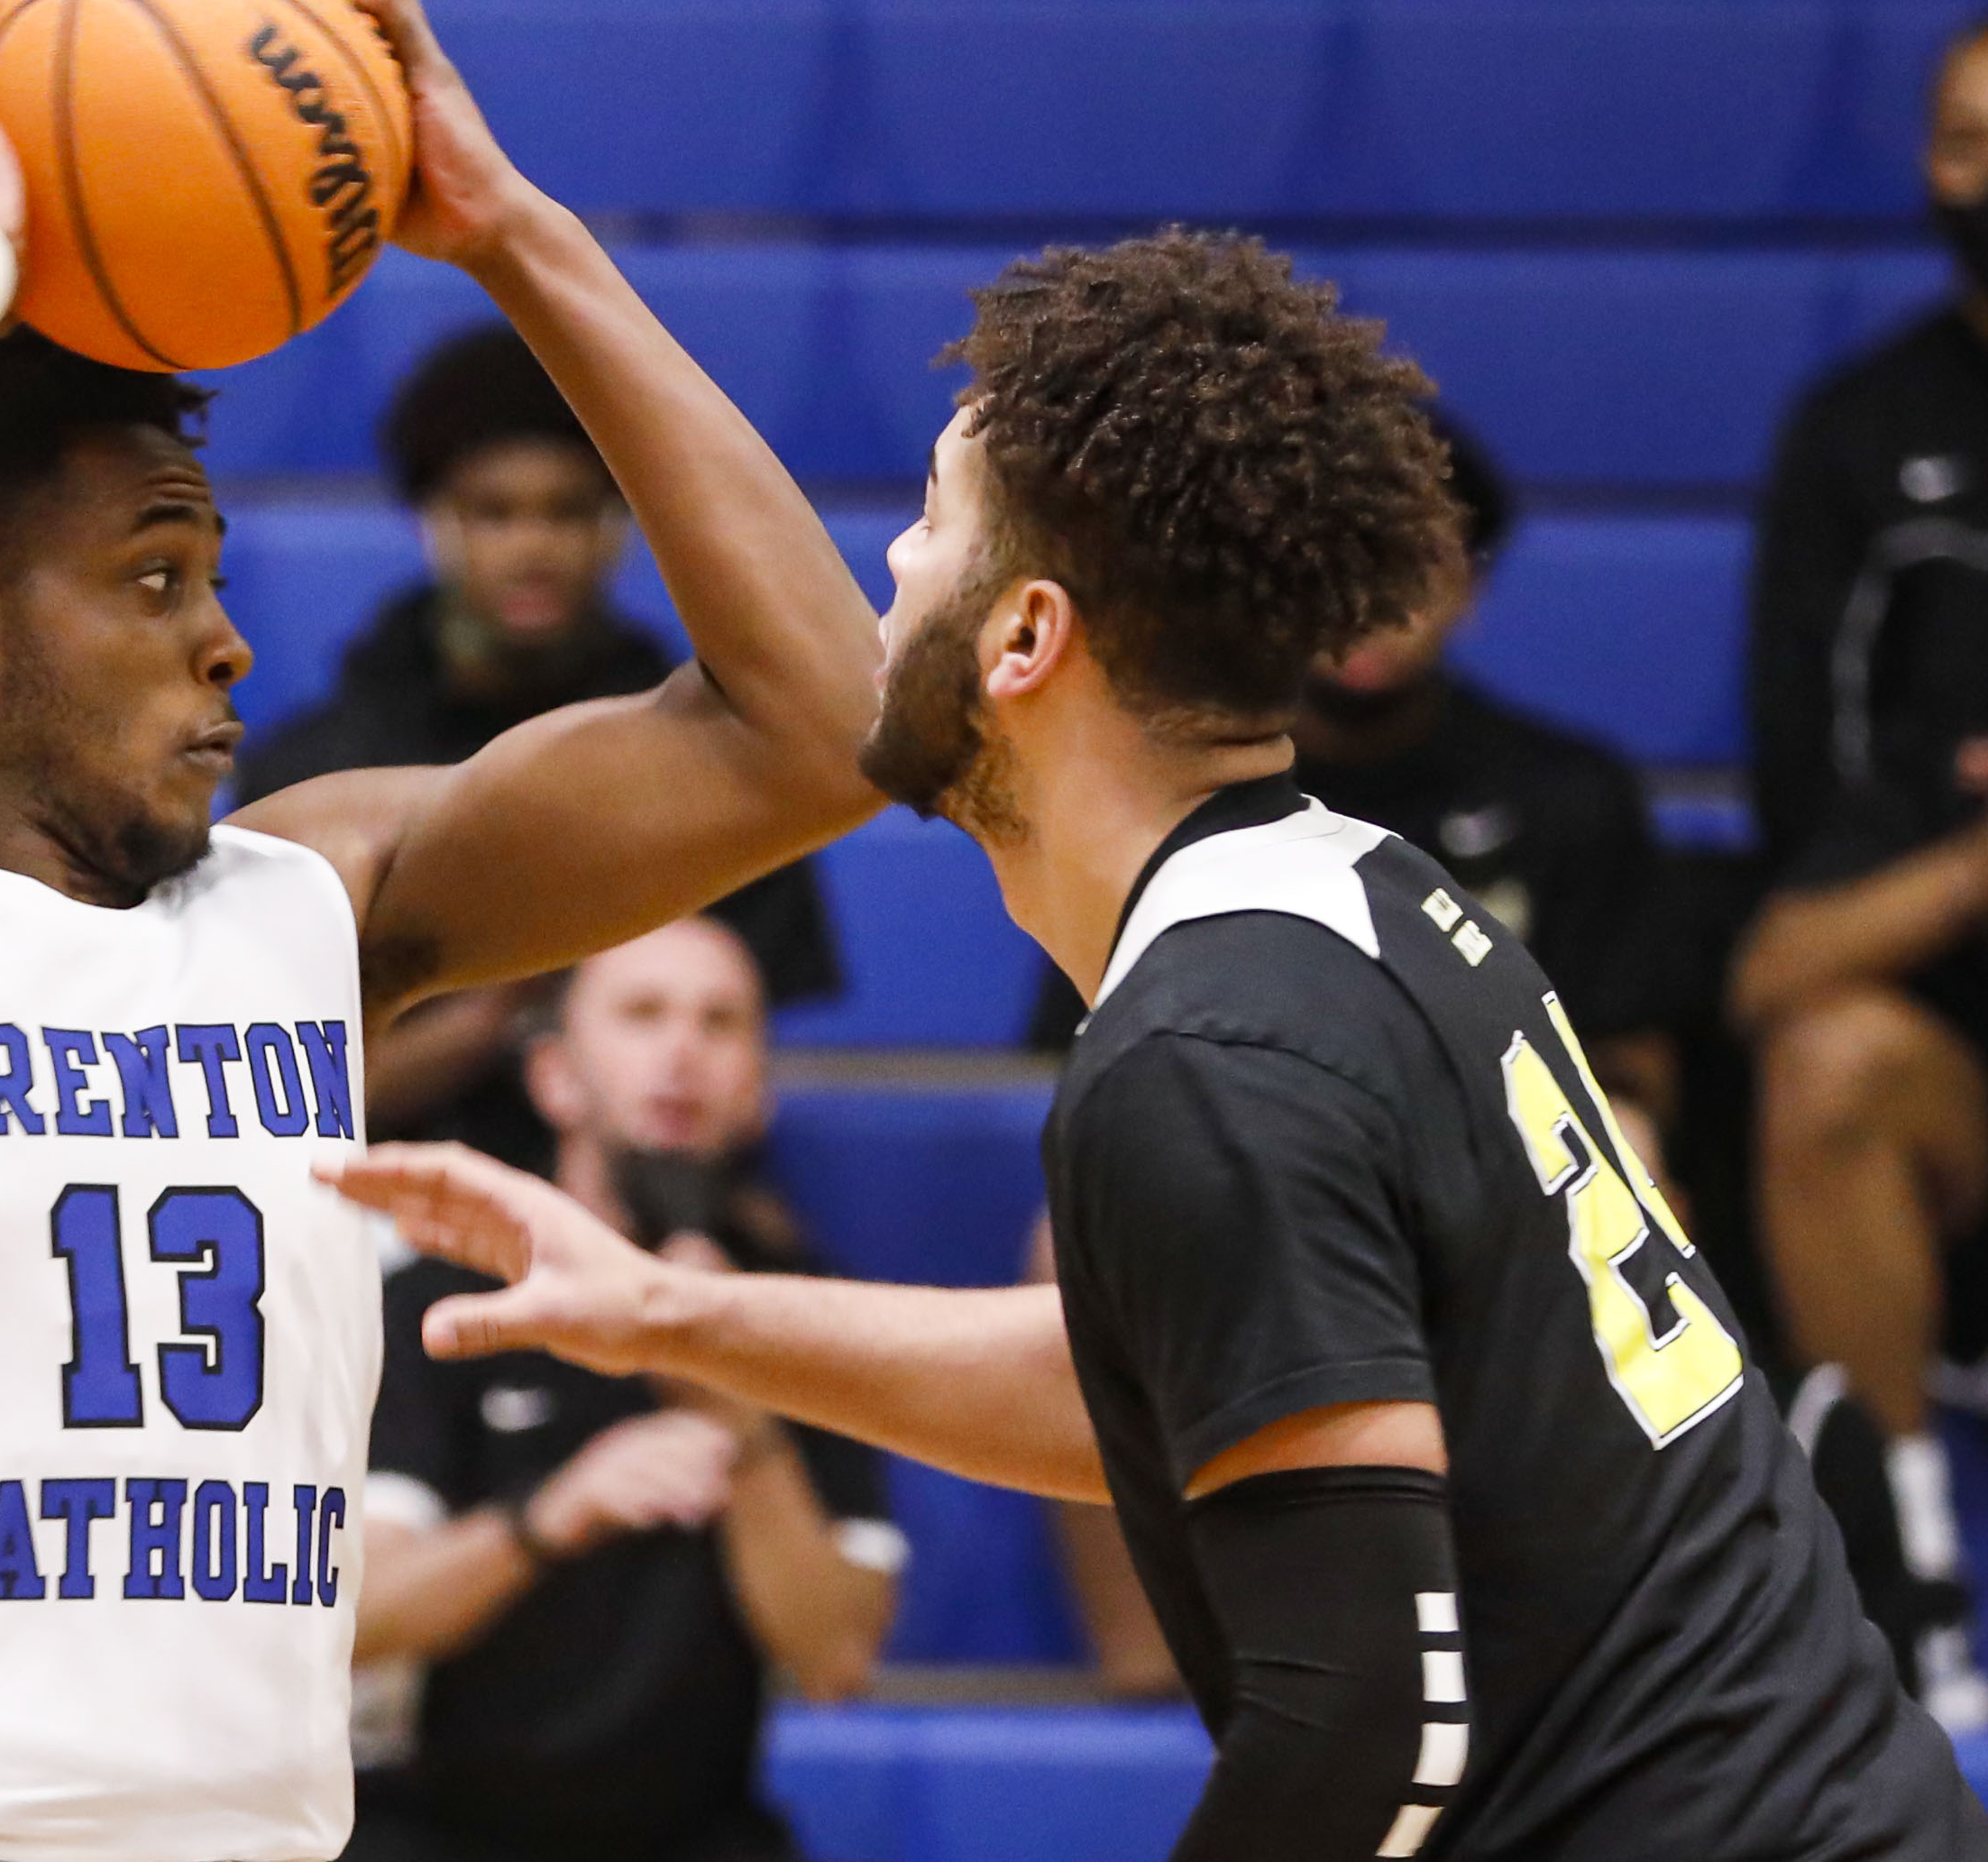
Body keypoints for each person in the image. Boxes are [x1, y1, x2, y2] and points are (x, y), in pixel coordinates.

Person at [329, 231, 1988, 1861]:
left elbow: (1371, 1719)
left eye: (926, 523)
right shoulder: (1356, 890)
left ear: (1026, 636)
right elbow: (1203, 1375)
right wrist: (676, 1313)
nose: (890, 570)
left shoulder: (1213, 1047)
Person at [0, 0, 880, 1862]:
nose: (229, 642)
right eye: (157, 577)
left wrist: (511, 233)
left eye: (216, 574)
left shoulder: (310, 903)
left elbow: (826, 726)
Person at [1023, 416, 1678, 1699]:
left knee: (1641, 1162)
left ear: (1476, 585)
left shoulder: (1567, 791)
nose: (1381, 597)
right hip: (1255, 1149)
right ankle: (1143, 1662)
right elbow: (1104, 1048)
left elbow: (1642, 1068)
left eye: (1420, 560)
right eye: (1347, 561)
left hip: (1508, 1164)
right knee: (1072, 1237)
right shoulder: (1172, 785)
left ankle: (1584, 1621)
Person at [351, 917, 898, 1862]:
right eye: (643, 1014)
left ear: (759, 1086)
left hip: (697, 1831)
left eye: (720, 1022)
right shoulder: (439, 1299)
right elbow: (357, 1622)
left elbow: (834, 1656)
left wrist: (731, 1406)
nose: (682, 1050)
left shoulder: (812, 1310)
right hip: (442, 1821)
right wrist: (551, 1514)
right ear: (554, 1075)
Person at [238, 325, 839, 1163]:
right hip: (372, 1204)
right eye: (494, 512)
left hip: (639, 1205)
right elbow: (255, 1088)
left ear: (619, 525)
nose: (532, 548)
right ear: (433, 522)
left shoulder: (720, 752)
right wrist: (504, 1000)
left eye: (566, 510)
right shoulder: (316, 764)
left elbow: (741, 1064)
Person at [1738, 11, 1988, 1721]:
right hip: (1960, 1066)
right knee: (1823, 1060)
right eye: (1969, 137)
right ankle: (1904, 1566)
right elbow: (1776, 962)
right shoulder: (1861, 433)